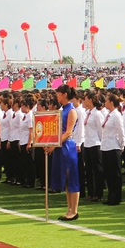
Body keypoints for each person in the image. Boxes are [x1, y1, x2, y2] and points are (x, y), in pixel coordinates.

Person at [51, 85, 81, 221]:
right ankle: (69, 208)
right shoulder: (61, 110)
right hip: (60, 146)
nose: (56, 96)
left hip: (67, 146)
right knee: (66, 180)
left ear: (64, 94)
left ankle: (74, 210)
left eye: (58, 94)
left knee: (71, 178)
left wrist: (54, 144)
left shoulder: (72, 111)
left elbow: (68, 132)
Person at [100, 94, 125, 206]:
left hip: (114, 147)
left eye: (106, 101)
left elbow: (121, 132)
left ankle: (116, 197)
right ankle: (111, 196)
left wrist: (121, 145)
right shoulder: (109, 115)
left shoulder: (116, 115)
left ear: (111, 102)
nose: (105, 103)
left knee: (115, 174)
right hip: (105, 146)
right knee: (108, 173)